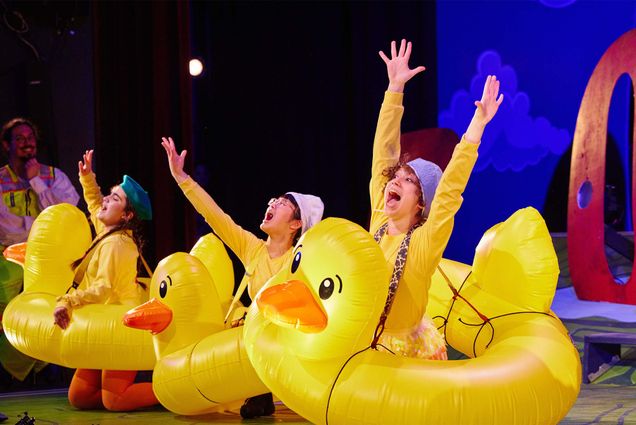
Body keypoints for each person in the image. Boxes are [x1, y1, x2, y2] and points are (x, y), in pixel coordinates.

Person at [161, 136, 324, 419]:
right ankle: (257, 391)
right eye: (273, 199)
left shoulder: (299, 259)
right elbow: (215, 216)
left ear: (296, 223)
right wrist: (181, 177)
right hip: (251, 337)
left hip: (284, 341)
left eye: (283, 202)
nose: (272, 202)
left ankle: (271, 390)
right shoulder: (253, 248)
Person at [369, 40, 503, 359]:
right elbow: (383, 154)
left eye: (409, 181)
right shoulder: (379, 218)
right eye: (397, 177)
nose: (396, 181)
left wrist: (477, 126)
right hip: (367, 337)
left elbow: (450, 190)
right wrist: (395, 88)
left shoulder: (425, 242)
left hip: (405, 350)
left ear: (420, 203)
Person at [52, 149, 158, 411]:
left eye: (114, 199)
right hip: (101, 322)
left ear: (127, 215)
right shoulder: (108, 231)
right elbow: (93, 203)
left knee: (115, 400)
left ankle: (171, 386)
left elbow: (103, 288)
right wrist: (87, 177)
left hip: (119, 327)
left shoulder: (119, 244)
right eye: (109, 196)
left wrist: (67, 300)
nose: (105, 202)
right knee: (80, 397)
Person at [0, 117, 80, 383]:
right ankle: (11, 374)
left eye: (30, 138)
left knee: (48, 308)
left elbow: (65, 213)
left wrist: (38, 184)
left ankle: (46, 369)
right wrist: (36, 224)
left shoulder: (53, 176)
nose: (27, 144)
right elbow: (8, 228)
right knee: (9, 311)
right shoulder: (1, 180)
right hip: (9, 258)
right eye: (20, 139)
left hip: (47, 259)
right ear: (6, 145)